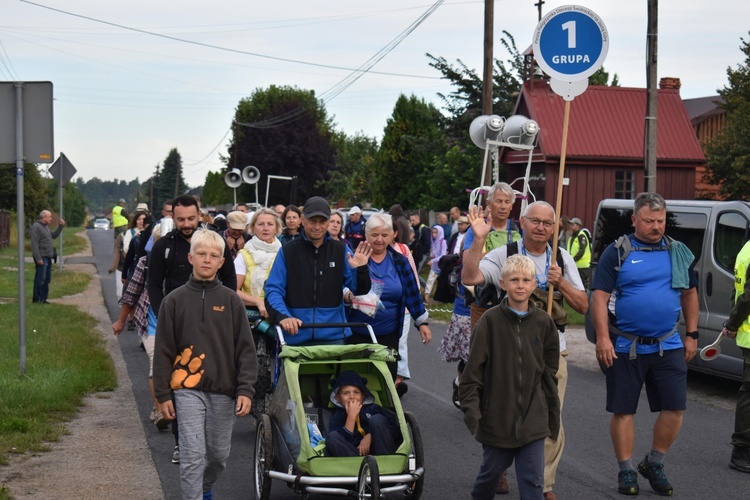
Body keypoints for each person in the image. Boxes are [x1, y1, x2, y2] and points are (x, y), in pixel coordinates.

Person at [462, 200, 587, 499]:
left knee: (544, 416)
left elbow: (583, 305)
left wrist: (562, 283)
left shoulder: (562, 259)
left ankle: (541, 484)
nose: (542, 227)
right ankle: (499, 463)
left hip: (551, 349)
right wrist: (478, 239)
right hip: (505, 349)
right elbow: (470, 277)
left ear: (554, 227)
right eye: (535, 221)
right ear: (523, 222)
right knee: (502, 410)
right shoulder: (504, 255)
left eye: (548, 223)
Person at [591, 192, 699, 496]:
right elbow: (598, 298)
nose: (656, 226)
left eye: (661, 220)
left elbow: (690, 294)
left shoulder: (677, 251)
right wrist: (602, 338)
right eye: (649, 220)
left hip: (669, 344)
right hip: (626, 345)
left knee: (675, 408)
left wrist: (692, 335)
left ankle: (654, 462)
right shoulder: (618, 251)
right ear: (634, 220)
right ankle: (626, 470)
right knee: (624, 410)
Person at [153, 229, 257, 500]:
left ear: (222, 262)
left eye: (214, 256)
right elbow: (163, 350)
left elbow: (246, 350)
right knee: (192, 455)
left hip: (224, 391)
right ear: (190, 258)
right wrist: (163, 394)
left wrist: (246, 389)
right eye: (201, 254)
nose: (207, 260)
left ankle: (204, 489)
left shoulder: (232, 301)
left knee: (218, 456)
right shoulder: (173, 301)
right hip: (186, 390)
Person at [147, 194, 238, 465]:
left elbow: (230, 279)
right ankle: (182, 442)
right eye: (180, 219)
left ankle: (208, 441)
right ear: (172, 218)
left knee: (210, 378)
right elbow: (153, 284)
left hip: (213, 319)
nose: (186, 224)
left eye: (191, 218)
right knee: (181, 380)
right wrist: (163, 312)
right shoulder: (163, 246)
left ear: (200, 214)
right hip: (175, 320)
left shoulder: (215, 243)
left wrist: (226, 310)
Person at [460, 254, 560, 500]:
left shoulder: (545, 324)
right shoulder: (489, 322)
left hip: (532, 420)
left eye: (526, 280)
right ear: (503, 283)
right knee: (489, 477)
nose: (520, 285)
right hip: (497, 419)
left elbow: (549, 374)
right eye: (514, 279)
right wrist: (474, 415)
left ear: (534, 284)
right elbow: (472, 375)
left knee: (533, 482)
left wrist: (551, 416)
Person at [264, 196, 372, 345]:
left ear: (328, 221)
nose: (317, 226)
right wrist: (283, 316)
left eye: (322, 221)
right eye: (312, 221)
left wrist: (359, 269)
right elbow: (273, 290)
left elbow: (359, 291)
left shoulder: (341, 250)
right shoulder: (287, 251)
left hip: (334, 336)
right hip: (296, 336)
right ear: (303, 220)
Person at [346, 213, 432, 381]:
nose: (379, 239)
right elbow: (343, 289)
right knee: (355, 383)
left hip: (388, 334)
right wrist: (355, 269)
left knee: (385, 381)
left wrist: (422, 322)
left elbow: (411, 292)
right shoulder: (353, 258)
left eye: (384, 235)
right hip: (356, 332)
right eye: (374, 234)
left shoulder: (400, 260)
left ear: (393, 235)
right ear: (366, 235)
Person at [113, 223, 167, 430]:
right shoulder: (145, 263)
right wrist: (121, 320)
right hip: (151, 322)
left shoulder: (188, 261)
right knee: (157, 365)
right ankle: (159, 409)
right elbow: (132, 292)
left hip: (177, 325)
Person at [234, 208, 283, 418]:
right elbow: (233, 291)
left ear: (277, 228)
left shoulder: (285, 253)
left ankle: (278, 411)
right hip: (252, 319)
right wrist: (257, 301)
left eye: (270, 224)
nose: (265, 228)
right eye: (260, 224)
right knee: (258, 366)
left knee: (280, 365)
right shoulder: (244, 254)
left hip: (279, 316)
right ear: (253, 228)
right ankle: (258, 413)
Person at [461, 182, 522, 329]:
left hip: (514, 302)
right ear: (489, 203)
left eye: (507, 202)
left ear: (512, 205)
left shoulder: (519, 229)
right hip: (483, 302)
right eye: (498, 201)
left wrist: (485, 255)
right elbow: (468, 262)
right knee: (482, 348)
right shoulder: (477, 229)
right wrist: (506, 254)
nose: (503, 206)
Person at [325, 370, 400, 457]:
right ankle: (358, 466)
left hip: (380, 450)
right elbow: (339, 442)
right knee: (332, 437)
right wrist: (351, 417)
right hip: (354, 455)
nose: (352, 397)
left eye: (356, 392)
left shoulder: (373, 408)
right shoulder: (337, 416)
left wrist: (370, 435)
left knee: (377, 419)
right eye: (346, 393)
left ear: (363, 395)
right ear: (338, 398)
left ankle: (384, 462)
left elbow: (395, 431)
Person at [723, 238, 750, 473]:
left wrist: (732, 322)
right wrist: (733, 322)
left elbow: (737, 291)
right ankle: (741, 449)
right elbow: (747, 297)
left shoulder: (746, 248)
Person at [30, 210, 65, 304]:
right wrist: (38, 258)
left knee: (47, 278)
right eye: (49, 217)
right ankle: (37, 299)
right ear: (43, 217)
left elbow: (53, 235)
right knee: (40, 278)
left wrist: (61, 226)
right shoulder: (36, 227)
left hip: (48, 256)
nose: (51, 218)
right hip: (42, 256)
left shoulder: (45, 227)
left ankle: (43, 299)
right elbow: (34, 244)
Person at [566, 217, 591, 290]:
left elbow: (581, 250)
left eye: (573, 224)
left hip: (582, 266)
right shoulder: (572, 236)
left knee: (582, 286)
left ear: (578, 226)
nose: (571, 226)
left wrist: (573, 259)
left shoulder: (581, 236)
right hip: (575, 265)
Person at [424, 225, 447, 302]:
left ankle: (442, 298)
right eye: (433, 232)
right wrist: (432, 255)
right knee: (430, 281)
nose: (434, 234)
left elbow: (443, 255)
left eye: (436, 233)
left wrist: (433, 260)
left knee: (442, 283)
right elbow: (434, 251)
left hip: (441, 267)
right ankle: (426, 298)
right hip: (434, 267)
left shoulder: (443, 242)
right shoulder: (433, 242)